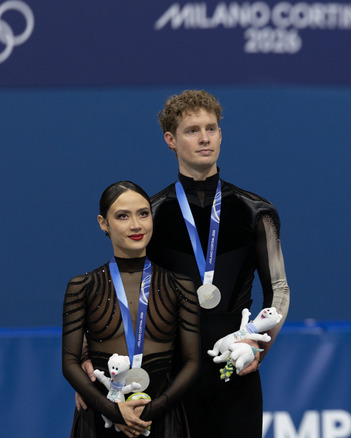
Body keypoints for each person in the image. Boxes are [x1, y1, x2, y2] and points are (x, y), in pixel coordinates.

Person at [76, 90, 292, 436]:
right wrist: (88, 359)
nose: (204, 138)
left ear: (221, 134)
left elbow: (278, 289)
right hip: (168, 378)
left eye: (211, 128)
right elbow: (123, 288)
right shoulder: (153, 213)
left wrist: (257, 345)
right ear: (170, 140)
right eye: (192, 130)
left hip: (233, 369)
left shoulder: (256, 211)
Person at [63, 181, 200, 437]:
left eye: (143, 214)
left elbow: (192, 362)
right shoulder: (82, 287)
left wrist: (149, 413)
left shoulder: (179, 286)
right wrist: (115, 413)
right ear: (103, 223)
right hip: (101, 417)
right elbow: (69, 363)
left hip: (161, 417)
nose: (136, 225)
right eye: (122, 216)